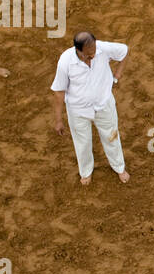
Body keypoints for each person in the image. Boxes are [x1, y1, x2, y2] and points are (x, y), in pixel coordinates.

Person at [50, 30, 130, 186]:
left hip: (104, 105)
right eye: (88, 54)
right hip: (78, 111)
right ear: (78, 50)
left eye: (93, 51)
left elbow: (125, 51)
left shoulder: (102, 48)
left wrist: (117, 75)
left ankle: (119, 167)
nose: (93, 55)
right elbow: (59, 92)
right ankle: (86, 172)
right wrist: (58, 120)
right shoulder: (65, 61)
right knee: (82, 143)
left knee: (112, 136)